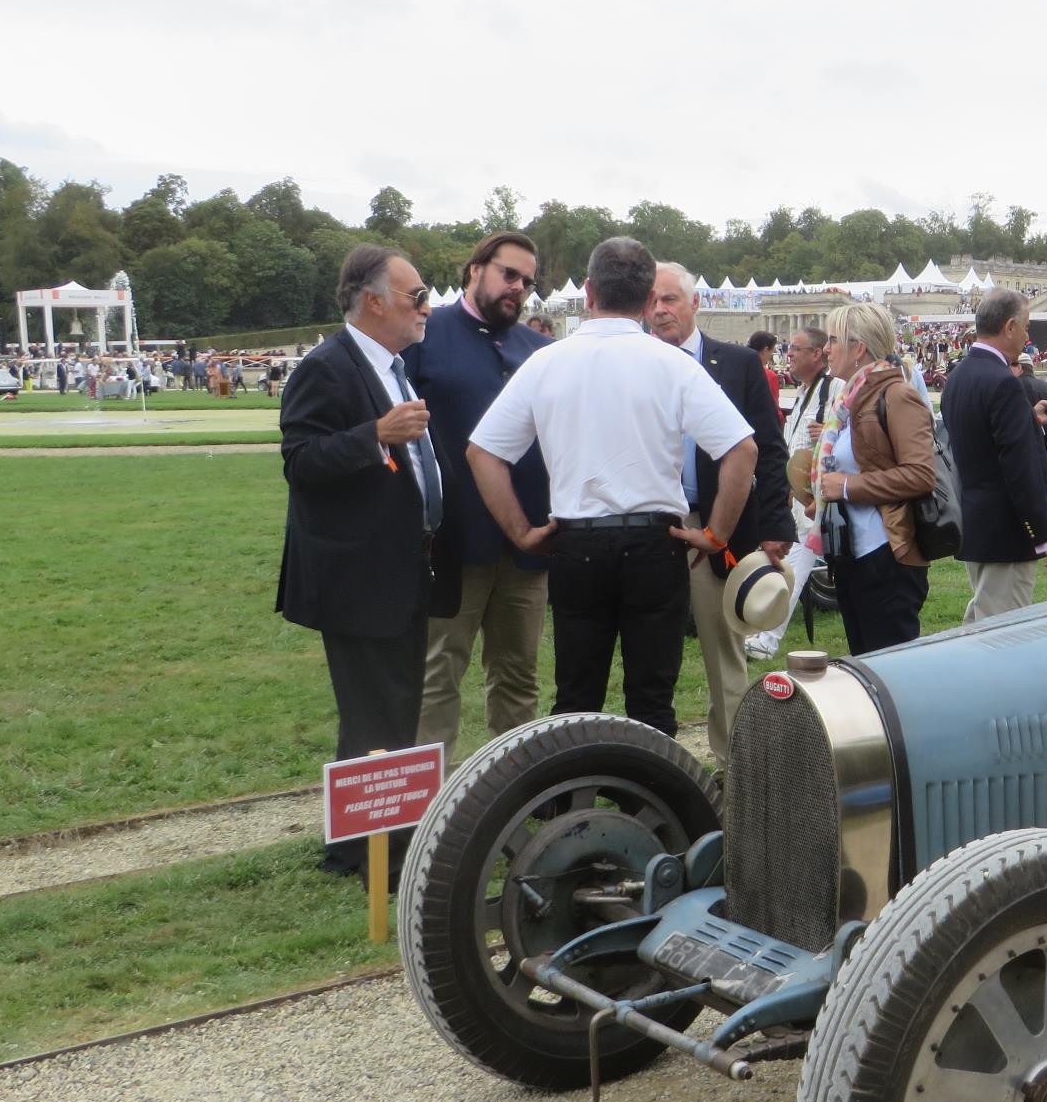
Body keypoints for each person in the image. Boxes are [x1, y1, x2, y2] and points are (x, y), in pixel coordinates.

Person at [465, 237, 756, 735]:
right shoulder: (672, 363)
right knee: (652, 698)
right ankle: (654, 807)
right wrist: (716, 536)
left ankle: (574, 804)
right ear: (647, 302)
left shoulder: (547, 361)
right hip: (653, 540)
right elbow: (741, 450)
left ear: (588, 291)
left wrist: (520, 531)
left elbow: (483, 452)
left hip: (578, 539)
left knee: (577, 695)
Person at [276, 246, 442, 882]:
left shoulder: (394, 366)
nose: (426, 307)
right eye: (416, 295)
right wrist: (374, 434)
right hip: (358, 577)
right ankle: (369, 853)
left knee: (394, 710)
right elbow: (301, 462)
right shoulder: (327, 367)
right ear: (373, 301)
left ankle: (373, 844)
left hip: (402, 566)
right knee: (376, 715)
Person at [406, 230, 552, 756]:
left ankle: (511, 793)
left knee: (518, 676)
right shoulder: (425, 337)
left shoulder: (539, 350)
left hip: (528, 544)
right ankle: (430, 813)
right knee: (437, 676)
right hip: (451, 540)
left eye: (528, 282)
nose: (518, 288)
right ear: (475, 269)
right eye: (509, 274)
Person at [648, 263, 793, 760]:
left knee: (724, 652)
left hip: (718, 523)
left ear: (695, 304)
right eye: (651, 301)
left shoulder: (737, 364)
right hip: (651, 523)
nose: (660, 310)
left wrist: (776, 524)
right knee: (650, 655)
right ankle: (654, 758)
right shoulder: (635, 363)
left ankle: (739, 768)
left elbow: (769, 449)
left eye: (670, 299)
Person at [812, 302, 937, 653]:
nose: (826, 349)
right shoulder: (850, 401)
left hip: (887, 557)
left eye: (833, 340)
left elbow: (921, 474)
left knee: (892, 673)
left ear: (858, 348)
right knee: (864, 667)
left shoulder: (897, 395)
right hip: (854, 555)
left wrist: (847, 487)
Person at [942, 289, 1047, 622]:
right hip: (1006, 531)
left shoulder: (958, 377)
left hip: (976, 524)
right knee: (1001, 634)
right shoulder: (1003, 383)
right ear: (1009, 326)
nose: (1028, 336)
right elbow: (1019, 469)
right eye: (1025, 327)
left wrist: (1029, 419)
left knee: (984, 618)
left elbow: (982, 439)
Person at [743, 326, 836, 660]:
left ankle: (767, 639)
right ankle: (765, 635)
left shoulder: (833, 388)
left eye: (796, 349)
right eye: (788, 348)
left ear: (817, 354)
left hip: (819, 499)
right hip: (801, 499)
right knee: (792, 566)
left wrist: (828, 431)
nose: (789, 354)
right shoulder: (804, 392)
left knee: (795, 568)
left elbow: (848, 433)